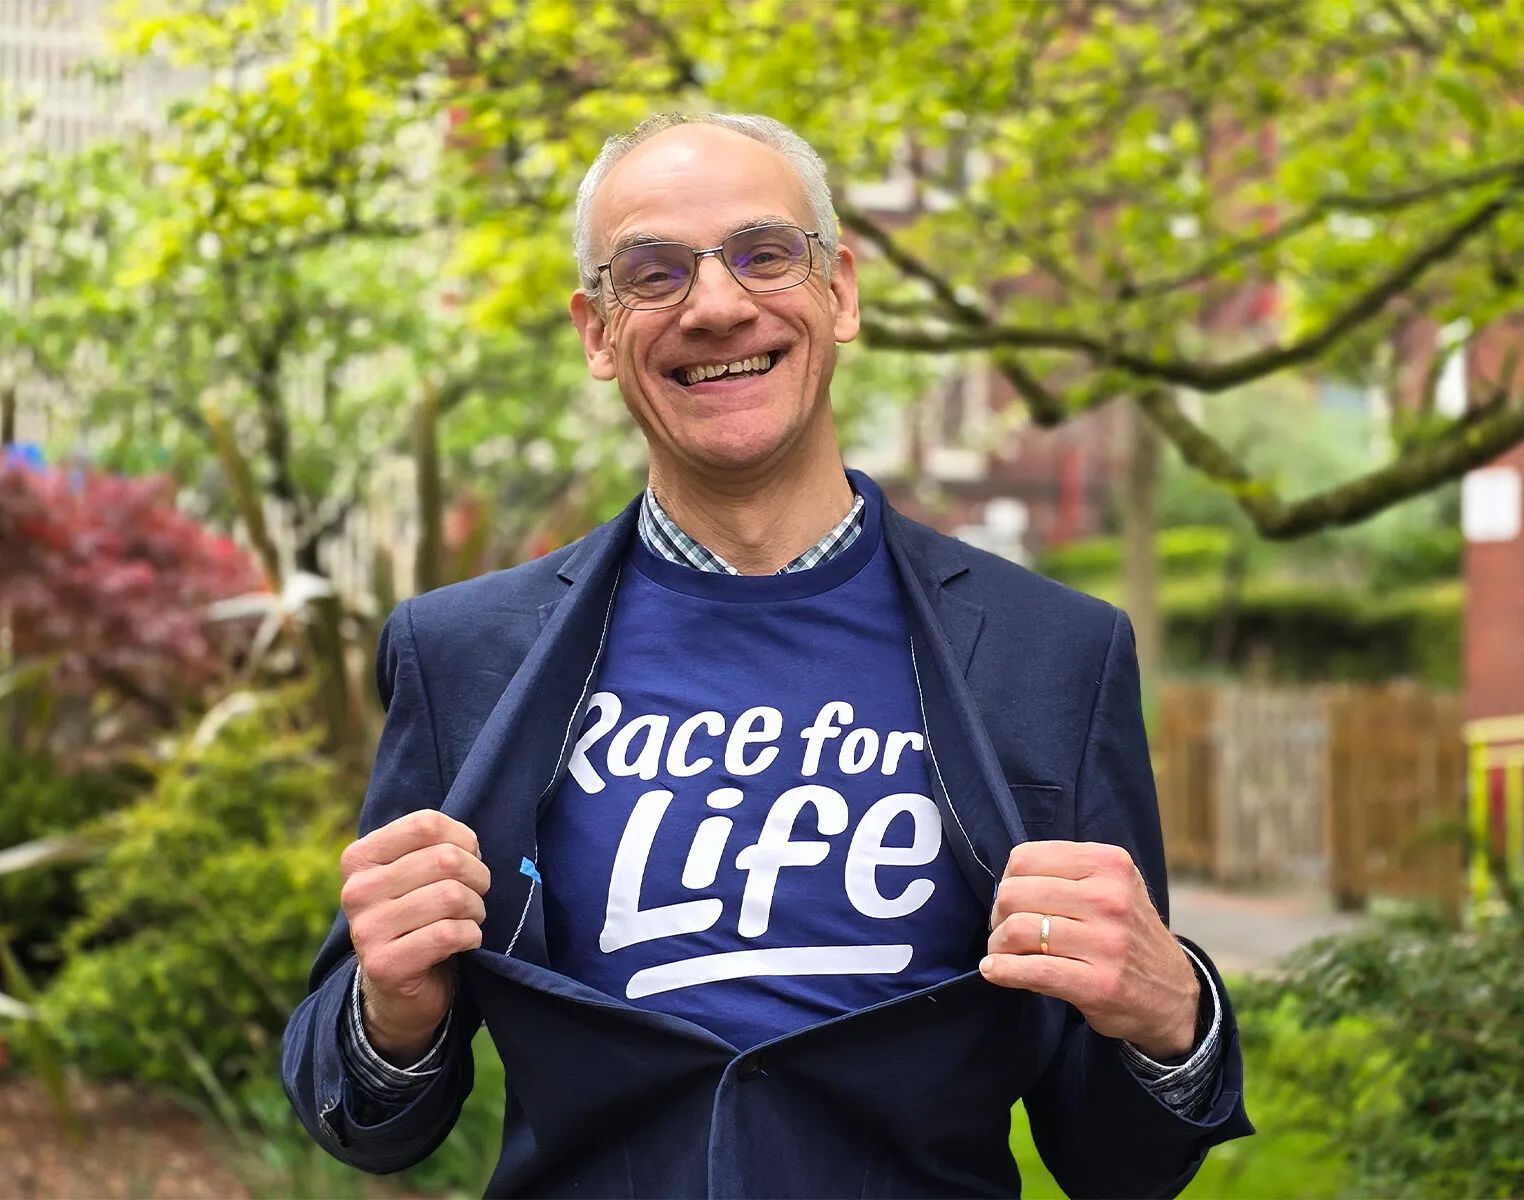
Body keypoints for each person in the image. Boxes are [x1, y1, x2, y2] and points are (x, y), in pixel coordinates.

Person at [282, 112, 1253, 1198]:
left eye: (764, 254)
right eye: (652, 273)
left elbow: (1121, 1165)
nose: (716, 305)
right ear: (598, 333)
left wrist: (1175, 1017)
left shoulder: (1054, 656)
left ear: (839, 288)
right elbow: (365, 1119)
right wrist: (389, 1013)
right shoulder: (463, 655)